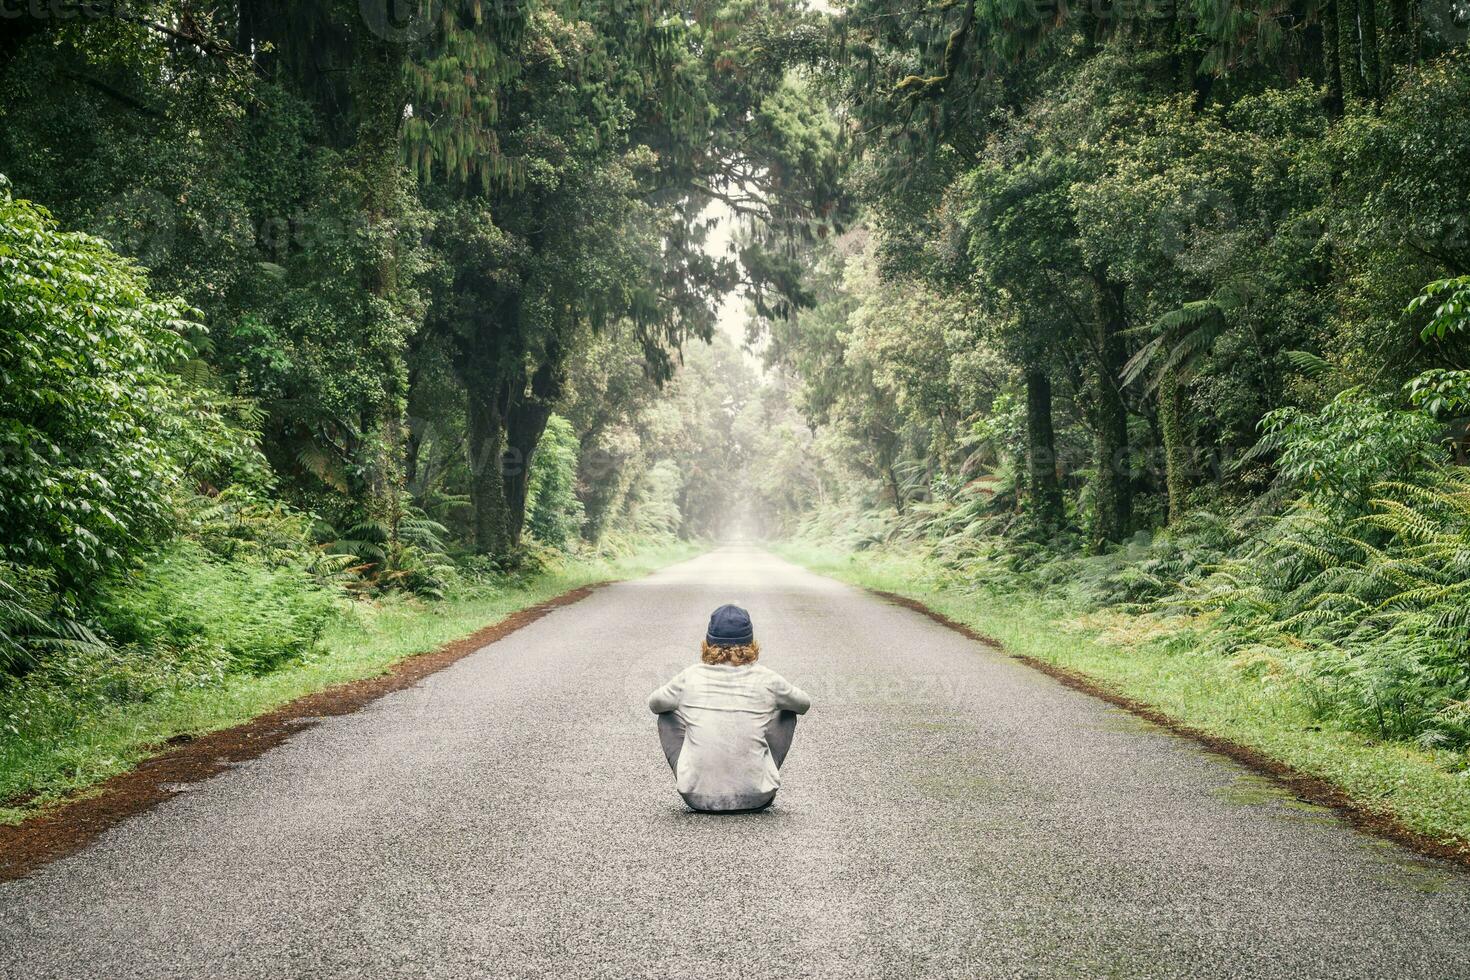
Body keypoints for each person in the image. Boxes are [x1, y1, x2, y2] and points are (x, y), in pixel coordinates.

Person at [648, 604, 812, 813]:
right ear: (751, 643)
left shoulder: (690, 676)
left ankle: (697, 781)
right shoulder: (766, 678)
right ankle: (754, 781)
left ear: (708, 642)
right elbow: (803, 704)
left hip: (697, 799)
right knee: (787, 712)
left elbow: (655, 704)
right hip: (757, 797)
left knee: (666, 715)